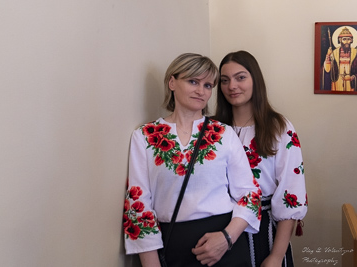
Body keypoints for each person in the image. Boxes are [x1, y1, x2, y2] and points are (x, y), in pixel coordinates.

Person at [123, 53, 261, 267]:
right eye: (193, 81)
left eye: (208, 85)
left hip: (226, 245)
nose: (201, 91)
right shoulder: (145, 136)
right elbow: (138, 205)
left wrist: (226, 238)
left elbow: (250, 194)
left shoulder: (224, 134)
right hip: (173, 246)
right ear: (172, 82)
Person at [214, 50, 308, 267]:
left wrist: (276, 256)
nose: (232, 86)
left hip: (264, 231)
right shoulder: (213, 128)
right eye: (224, 80)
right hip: (219, 228)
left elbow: (290, 193)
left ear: (255, 80)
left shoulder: (279, 128)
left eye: (241, 77)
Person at [322, 26, 357, 91]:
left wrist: (352, 77)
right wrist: (328, 55)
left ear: (351, 40)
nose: (346, 41)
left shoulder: (355, 53)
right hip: (337, 81)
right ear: (340, 40)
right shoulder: (335, 52)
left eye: (348, 39)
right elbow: (328, 69)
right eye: (344, 39)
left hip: (350, 82)